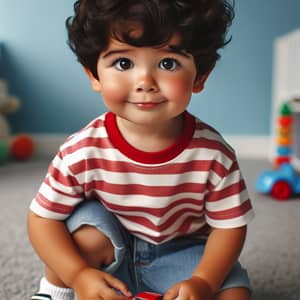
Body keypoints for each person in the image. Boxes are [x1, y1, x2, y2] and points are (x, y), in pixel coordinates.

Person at [28, 1, 254, 300]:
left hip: (183, 252)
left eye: (168, 63)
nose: (145, 82)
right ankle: (53, 293)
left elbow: (229, 228)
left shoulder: (214, 155)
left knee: (235, 294)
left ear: (200, 76)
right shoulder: (81, 149)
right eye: (124, 63)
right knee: (81, 236)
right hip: (110, 249)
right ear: (94, 74)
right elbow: (43, 219)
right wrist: (77, 275)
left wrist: (204, 281)